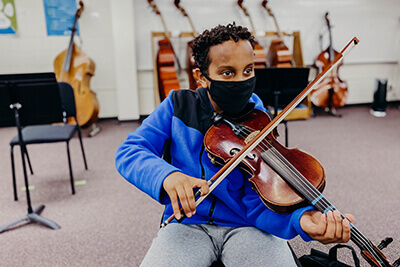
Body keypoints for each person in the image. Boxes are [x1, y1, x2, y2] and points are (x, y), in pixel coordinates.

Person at [115, 23, 354, 267]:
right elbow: (130, 152)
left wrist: (300, 220)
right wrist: (168, 176)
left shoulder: (258, 119)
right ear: (201, 77)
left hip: (246, 226)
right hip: (187, 223)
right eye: (228, 73)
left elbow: (258, 201)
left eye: (248, 70)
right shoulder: (177, 106)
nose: (241, 81)